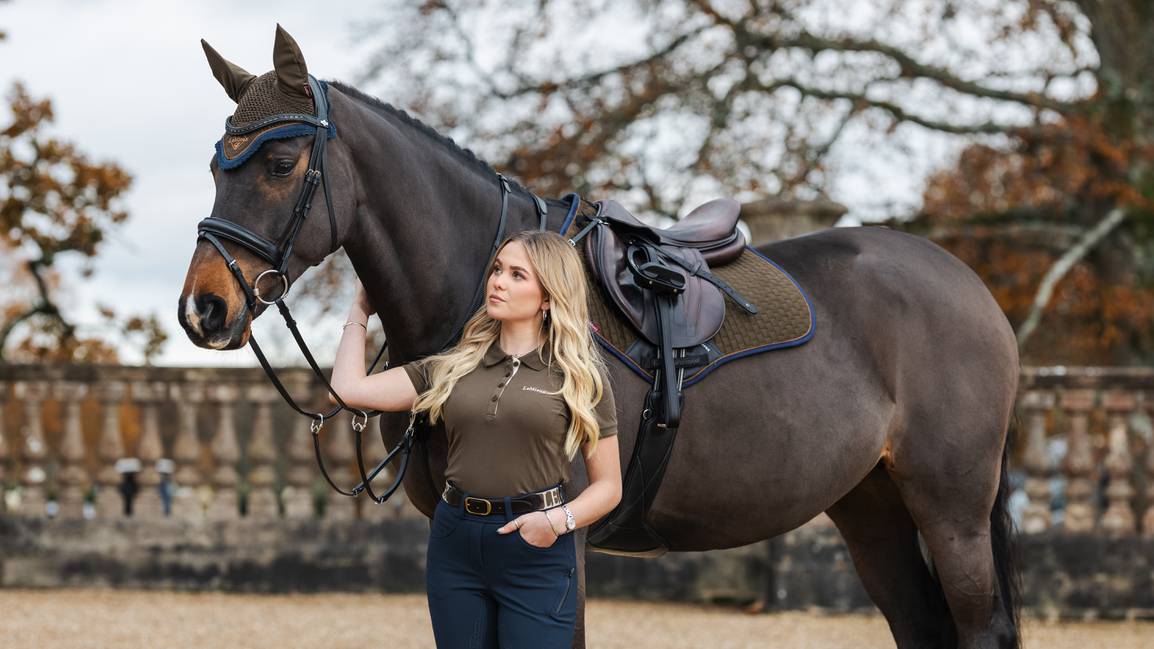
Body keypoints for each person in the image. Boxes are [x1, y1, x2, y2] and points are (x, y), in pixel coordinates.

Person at [330, 230, 622, 649]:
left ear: (547, 298)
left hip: (535, 549)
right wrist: (359, 311)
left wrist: (557, 522)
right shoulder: (453, 367)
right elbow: (348, 390)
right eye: (498, 270)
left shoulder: (580, 378)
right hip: (456, 543)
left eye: (517, 275)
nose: (498, 281)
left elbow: (609, 487)